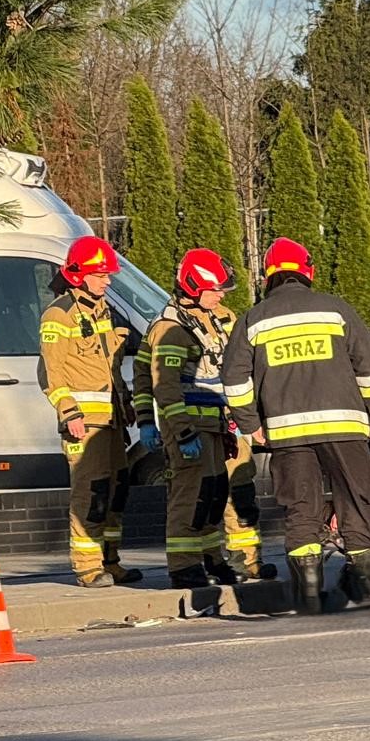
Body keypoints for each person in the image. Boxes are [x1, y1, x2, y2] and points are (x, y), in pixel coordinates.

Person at [222, 238, 370, 615]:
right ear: (307, 271)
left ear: (268, 277)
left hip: (287, 434)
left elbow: (233, 380)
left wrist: (251, 425)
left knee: (301, 509)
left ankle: (308, 596)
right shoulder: (337, 310)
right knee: (358, 503)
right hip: (346, 429)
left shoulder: (254, 318)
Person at [134, 249, 262, 589]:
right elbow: (166, 387)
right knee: (188, 496)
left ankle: (212, 558)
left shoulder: (216, 318)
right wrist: (181, 432)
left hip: (217, 425)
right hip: (190, 427)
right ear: (193, 287)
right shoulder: (171, 330)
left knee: (213, 495)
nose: (221, 294)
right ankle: (183, 566)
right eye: (216, 288)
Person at [38, 236, 141, 587]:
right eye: (101, 275)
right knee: (91, 492)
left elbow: (110, 368)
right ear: (79, 275)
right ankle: (87, 566)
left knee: (116, 491)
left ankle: (110, 560)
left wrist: (125, 403)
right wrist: (70, 414)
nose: (108, 281)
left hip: (111, 422)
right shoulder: (59, 315)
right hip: (84, 423)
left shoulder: (102, 312)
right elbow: (51, 373)